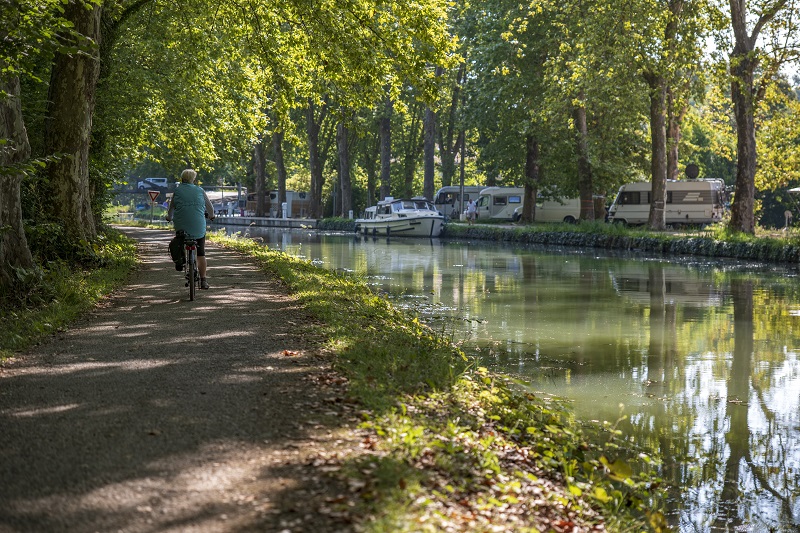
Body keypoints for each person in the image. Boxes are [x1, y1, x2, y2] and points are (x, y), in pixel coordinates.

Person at [165, 169, 215, 289]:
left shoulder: (177, 191)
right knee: (201, 253)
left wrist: (168, 218)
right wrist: (212, 216)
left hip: (181, 227)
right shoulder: (200, 190)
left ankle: (179, 261)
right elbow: (210, 208)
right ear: (193, 179)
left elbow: (171, 210)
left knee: (180, 240)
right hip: (198, 227)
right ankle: (203, 280)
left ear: (182, 178)